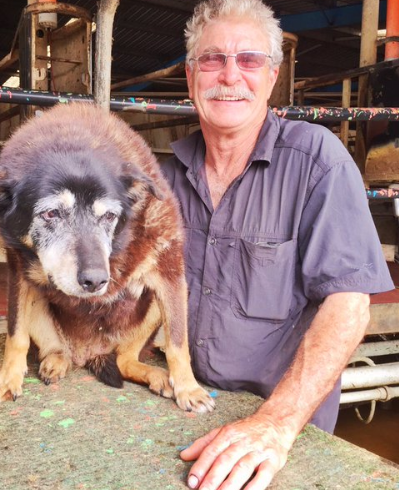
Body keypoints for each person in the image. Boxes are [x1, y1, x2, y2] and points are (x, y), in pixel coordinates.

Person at [159, 0, 395, 489]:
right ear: (190, 76)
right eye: (212, 59)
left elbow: (349, 307)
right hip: (177, 405)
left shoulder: (316, 162)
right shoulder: (163, 179)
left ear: (271, 76)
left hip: (280, 427)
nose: (229, 75)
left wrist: (275, 424)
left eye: (248, 60)